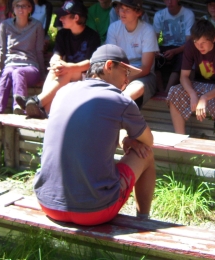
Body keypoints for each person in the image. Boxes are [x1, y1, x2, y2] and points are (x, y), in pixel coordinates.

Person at [33, 44, 156, 225]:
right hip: (95, 211)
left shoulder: (63, 91)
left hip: (48, 204)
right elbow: (148, 140)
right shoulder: (120, 100)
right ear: (109, 66)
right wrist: (129, 139)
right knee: (146, 153)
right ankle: (143, 220)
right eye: (125, 72)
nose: (127, 79)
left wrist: (124, 138)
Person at [16, 0, 100, 118]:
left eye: (64, 16)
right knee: (54, 70)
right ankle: (43, 109)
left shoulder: (93, 36)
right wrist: (55, 62)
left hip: (85, 74)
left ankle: (37, 102)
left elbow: (90, 63)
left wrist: (69, 67)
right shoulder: (63, 34)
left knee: (66, 71)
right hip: (66, 71)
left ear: (76, 18)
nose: (60, 19)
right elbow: (57, 53)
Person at [166, 19, 215, 142]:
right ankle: (180, 140)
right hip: (199, 83)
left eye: (203, 42)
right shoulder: (190, 46)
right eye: (196, 42)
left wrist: (204, 98)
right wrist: (192, 94)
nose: (199, 46)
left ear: (213, 39)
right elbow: (184, 76)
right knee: (174, 91)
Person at [0, 0, 45, 114]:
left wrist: (43, 74)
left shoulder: (37, 26)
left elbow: (39, 50)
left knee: (18, 72)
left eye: (24, 6)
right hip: (11, 64)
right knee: (8, 72)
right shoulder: (5, 25)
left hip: (30, 66)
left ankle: (19, 107)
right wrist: (0, 70)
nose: (20, 9)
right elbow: (2, 50)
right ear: (13, 8)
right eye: (17, 6)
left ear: (30, 9)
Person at [105, 0, 159, 107]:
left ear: (138, 13)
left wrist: (124, 80)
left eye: (127, 10)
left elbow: (146, 68)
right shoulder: (113, 28)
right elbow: (111, 60)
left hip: (143, 76)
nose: (122, 13)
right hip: (118, 73)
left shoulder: (148, 31)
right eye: (121, 8)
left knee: (131, 92)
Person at [152, 0, 195, 93]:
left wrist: (175, 51)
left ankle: (167, 91)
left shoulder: (188, 14)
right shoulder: (159, 15)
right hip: (165, 47)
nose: (170, 2)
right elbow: (155, 38)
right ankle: (161, 91)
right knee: (152, 57)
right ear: (163, 0)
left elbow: (189, 42)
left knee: (183, 58)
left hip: (182, 48)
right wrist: (155, 50)